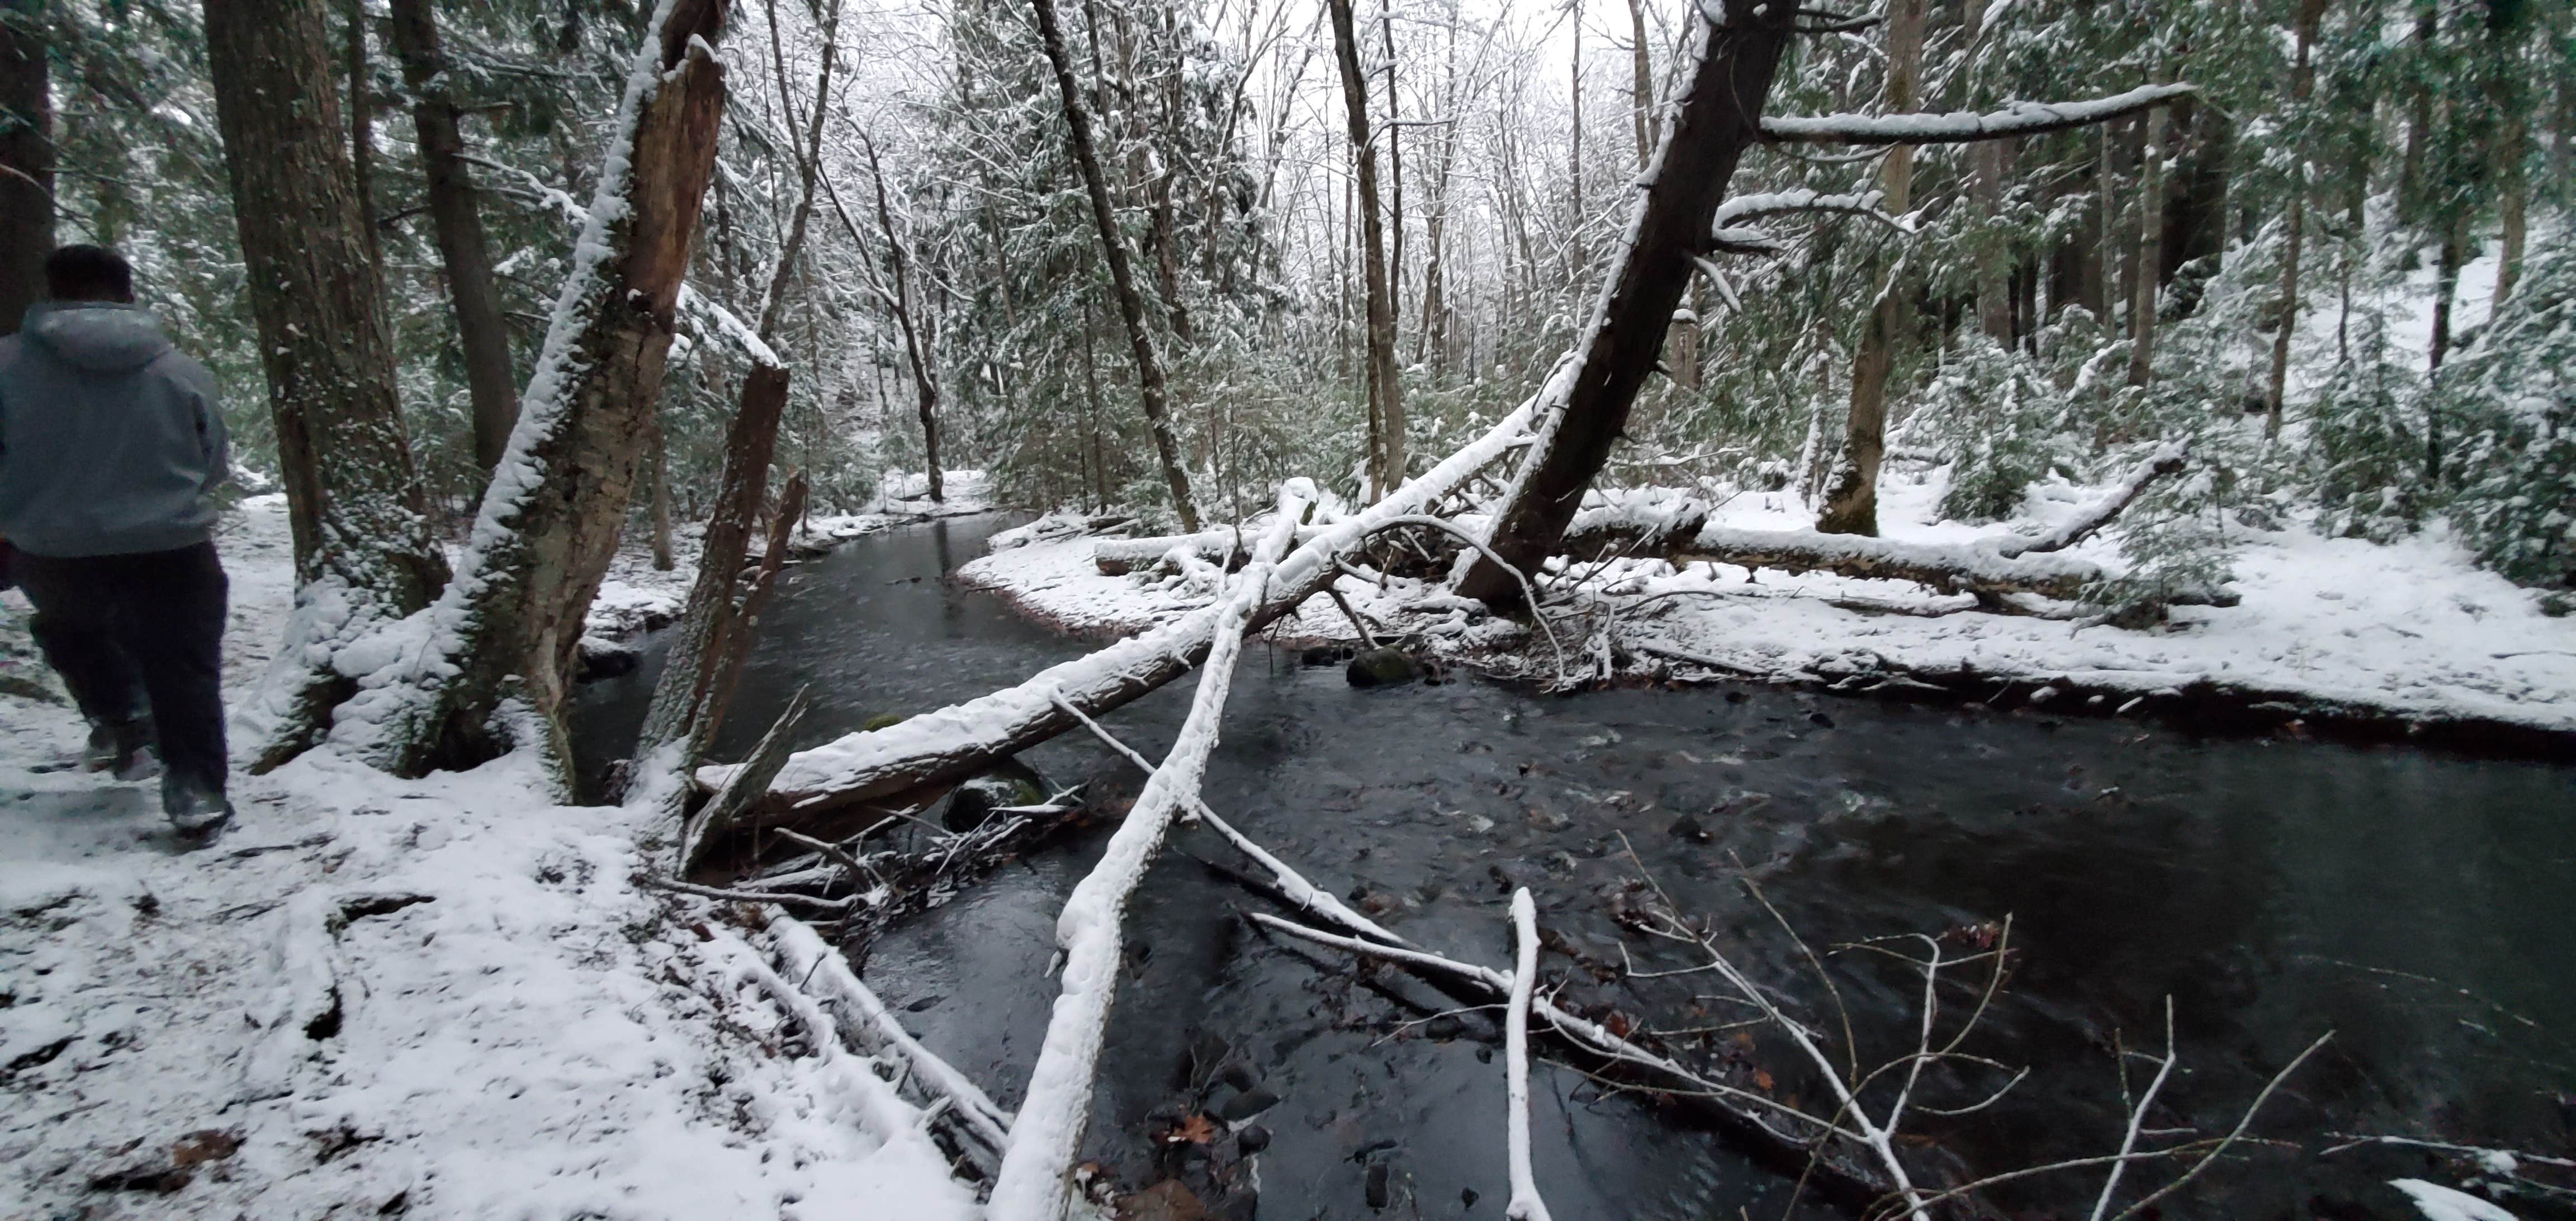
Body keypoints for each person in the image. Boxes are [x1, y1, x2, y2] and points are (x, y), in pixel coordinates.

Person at [0, 245, 233, 840]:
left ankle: (122, 715)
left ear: (51, 293)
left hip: (49, 545)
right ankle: (194, 789)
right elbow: (212, 461)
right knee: (182, 661)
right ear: (127, 294)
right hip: (170, 542)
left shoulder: (5, 366)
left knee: (69, 626)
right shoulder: (180, 370)